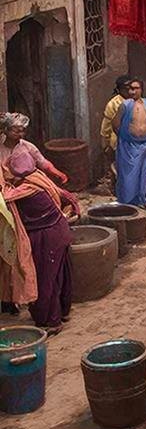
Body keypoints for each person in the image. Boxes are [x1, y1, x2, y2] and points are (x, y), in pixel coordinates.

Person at [0, 113, 76, 331]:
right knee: (49, 269)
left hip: (43, 214)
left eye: (23, 130)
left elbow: (43, 164)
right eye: (16, 130)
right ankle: (54, 315)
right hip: (38, 219)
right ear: (5, 131)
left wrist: (58, 174)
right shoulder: (7, 158)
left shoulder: (27, 153)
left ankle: (55, 315)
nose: (20, 134)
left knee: (50, 268)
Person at [112, 80, 146, 211]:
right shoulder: (125, 105)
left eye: (135, 88)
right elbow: (115, 124)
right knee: (127, 176)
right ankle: (127, 204)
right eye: (130, 89)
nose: (132, 91)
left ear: (141, 90)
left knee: (145, 174)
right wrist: (125, 138)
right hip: (128, 147)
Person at [100, 75, 132, 181]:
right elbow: (106, 126)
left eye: (131, 87)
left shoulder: (137, 100)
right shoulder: (114, 104)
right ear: (119, 90)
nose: (129, 91)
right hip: (119, 141)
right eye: (125, 88)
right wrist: (105, 144)